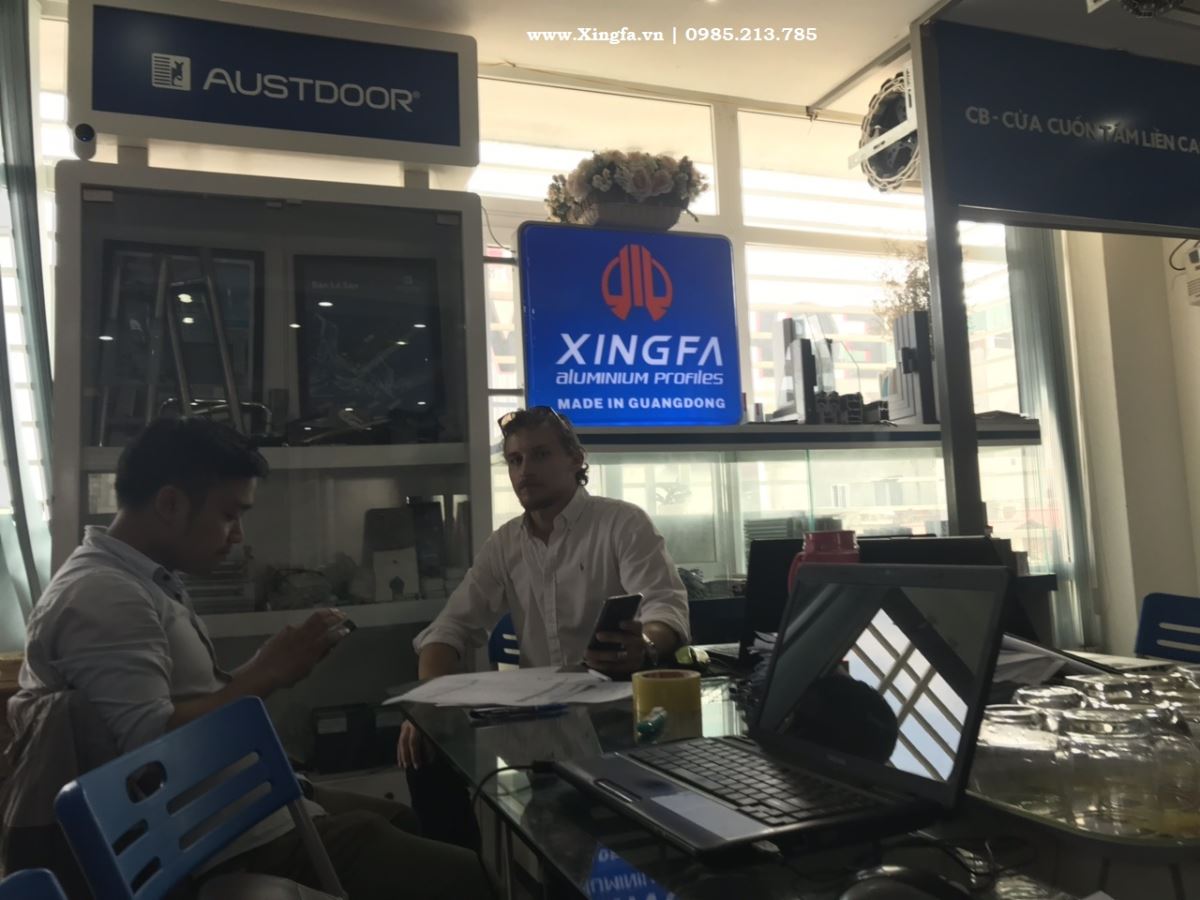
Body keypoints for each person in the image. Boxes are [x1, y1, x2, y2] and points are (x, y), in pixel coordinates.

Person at [6, 418, 487, 900]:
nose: (237, 535)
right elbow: (150, 750)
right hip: (217, 843)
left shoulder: (141, 581)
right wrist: (266, 673)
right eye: (228, 514)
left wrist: (267, 667)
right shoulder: (104, 597)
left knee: (402, 819)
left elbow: (179, 708)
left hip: (239, 807)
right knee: (467, 876)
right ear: (170, 503)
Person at [398, 406, 690, 837]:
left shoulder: (621, 522)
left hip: (620, 719)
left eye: (540, 455)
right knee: (425, 755)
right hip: (540, 725)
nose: (525, 470)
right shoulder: (504, 544)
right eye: (515, 460)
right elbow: (449, 629)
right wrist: (427, 707)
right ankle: (463, 870)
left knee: (613, 839)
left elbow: (666, 608)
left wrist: (644, 644)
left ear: (576, 459)